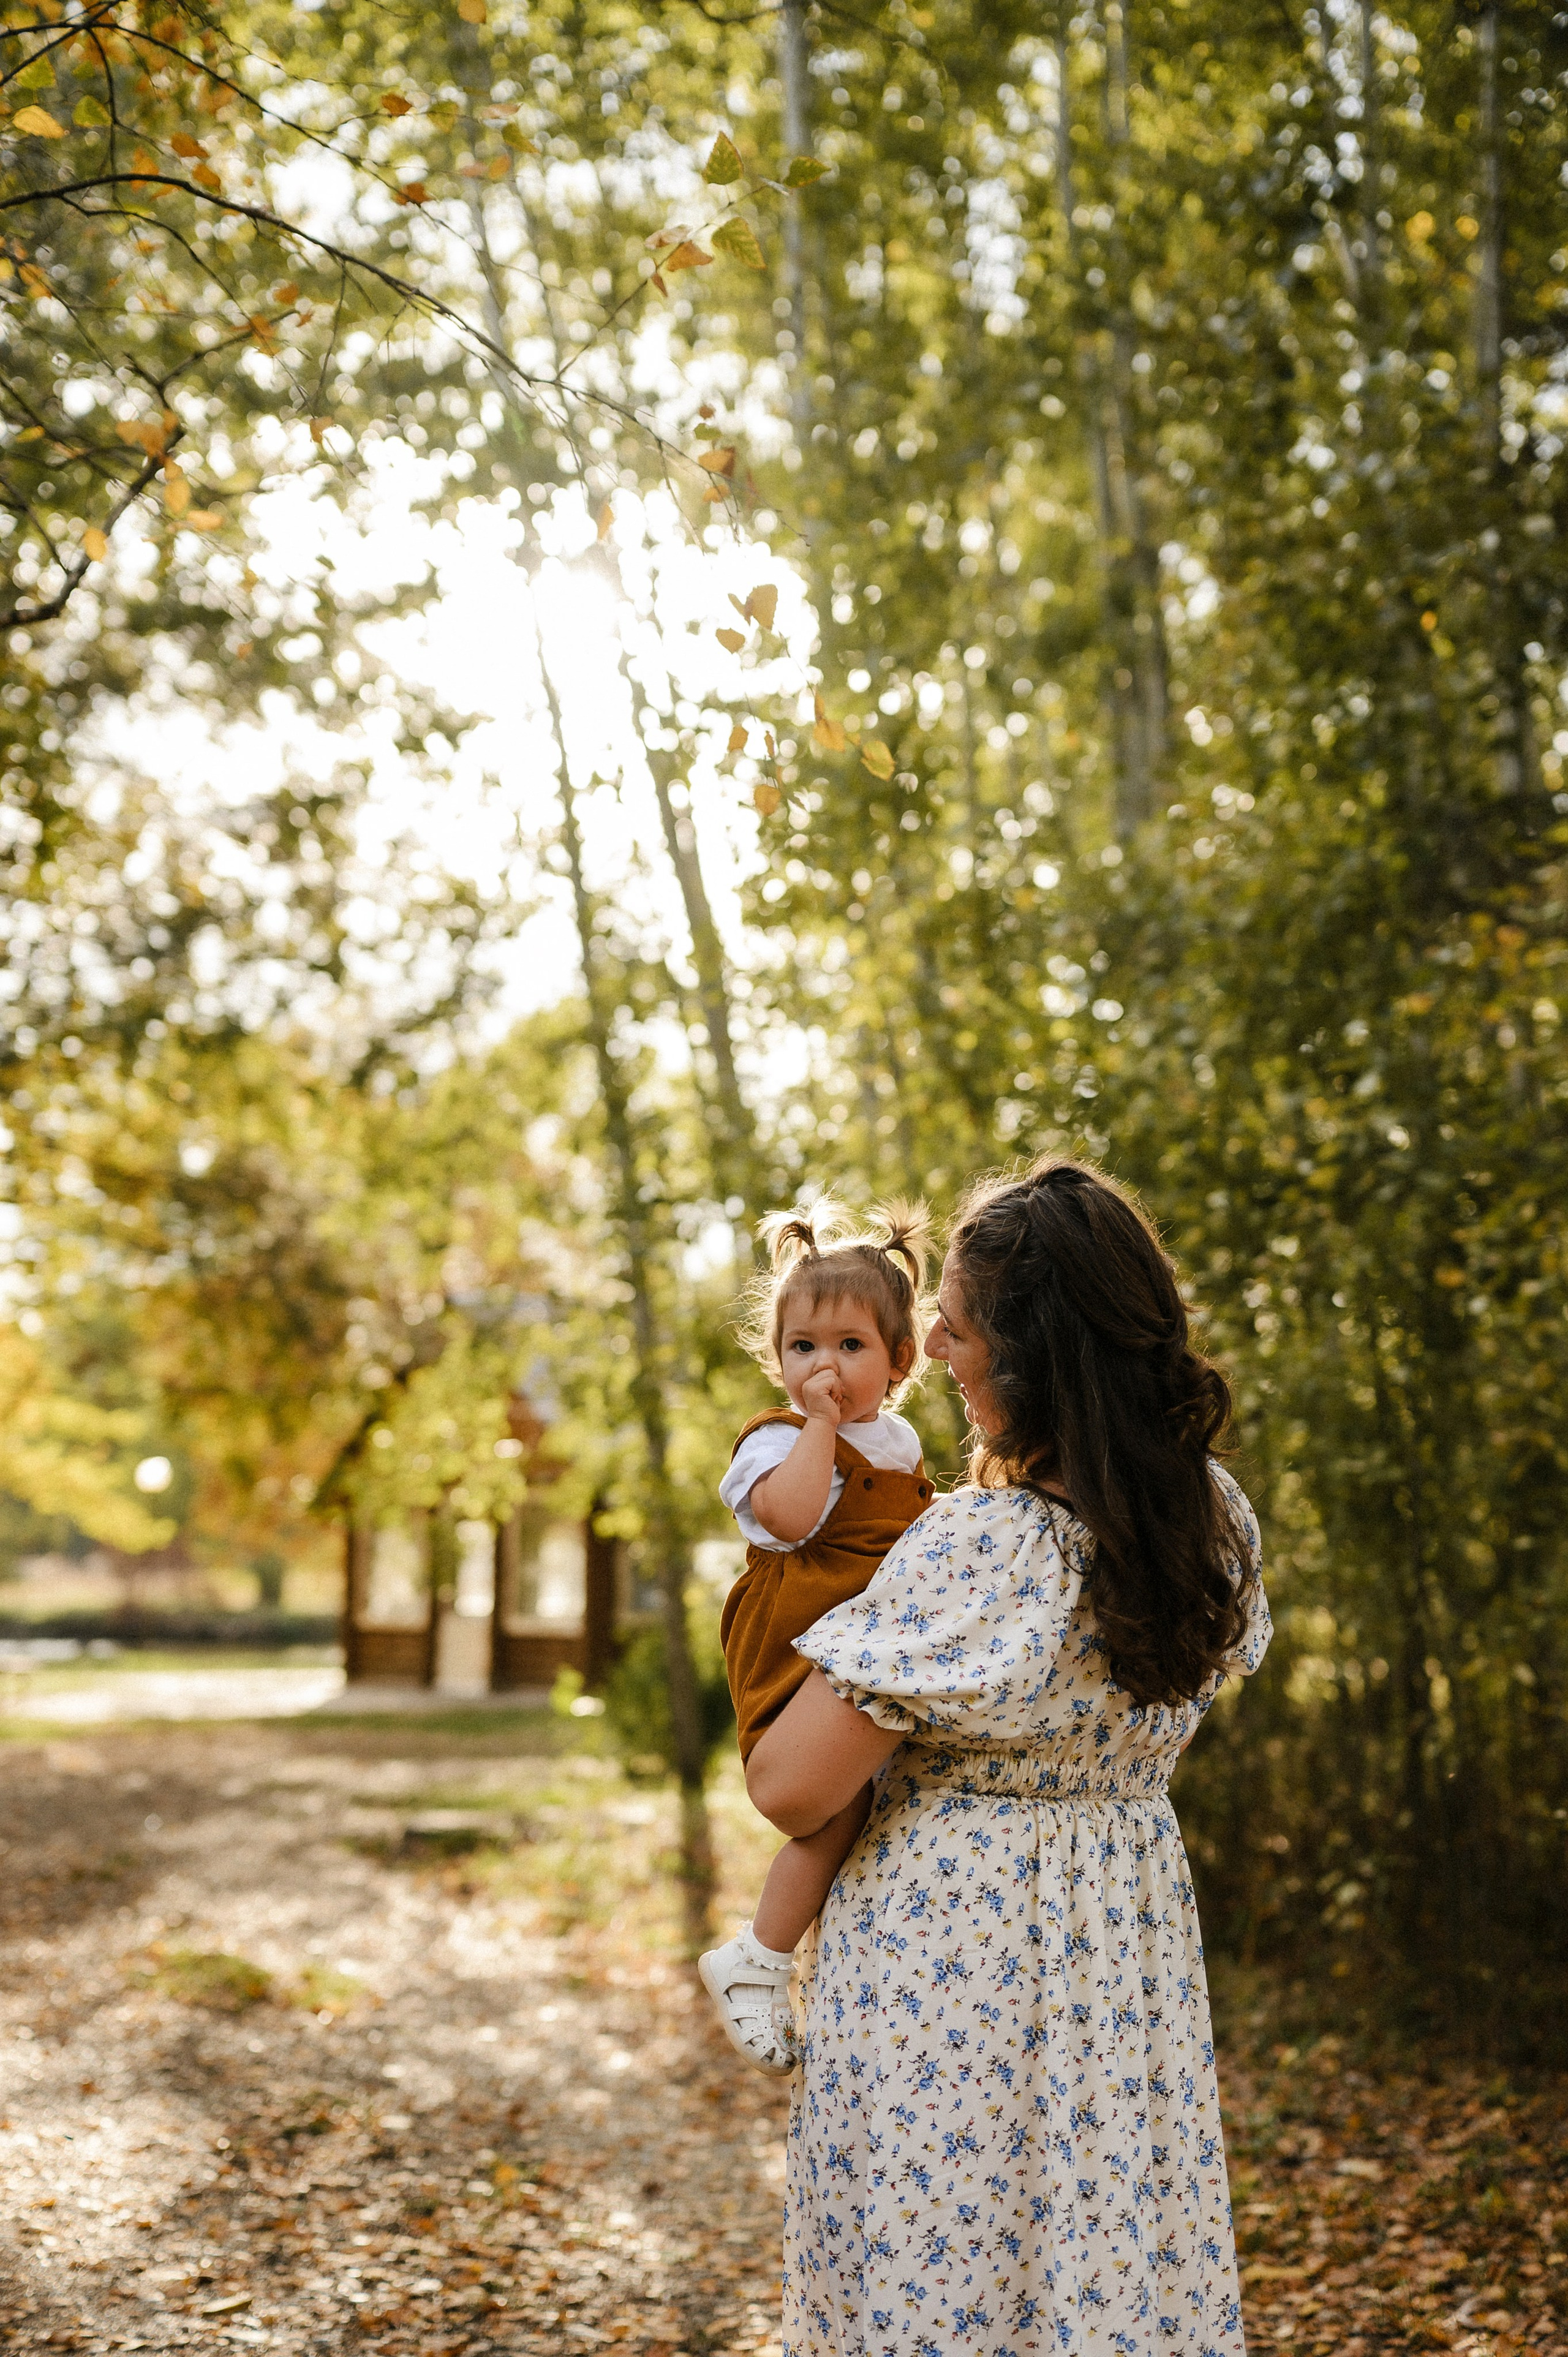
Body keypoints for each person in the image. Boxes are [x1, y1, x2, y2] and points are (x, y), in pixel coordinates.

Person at [745, 1156, 1272, 2356]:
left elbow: (791, 1784)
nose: (930, 1335)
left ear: (1029, 1359)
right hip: (1117, 1964)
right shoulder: (1208, 1519)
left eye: (957, 1322)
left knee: (954, 2280)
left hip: (955, 1983)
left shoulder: (977, 1548)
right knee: (1097, 2267)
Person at [699, 1201, 938, 2075]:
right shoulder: (775, 1444)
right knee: (824, 1812)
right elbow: (794, 1521)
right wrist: (821, 1428)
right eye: (803, 1348)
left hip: (865, 1656)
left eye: (849, 1347)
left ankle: (782, 1957)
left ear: (900, 1361)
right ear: (779, 1361)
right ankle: (756, 1960)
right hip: (793, 1650)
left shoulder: (904, 1441)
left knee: (858, 1818)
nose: (824, 1366)